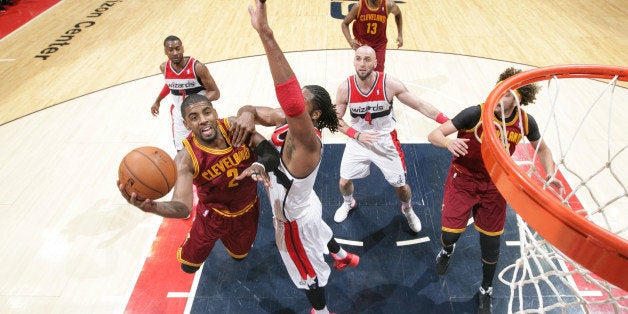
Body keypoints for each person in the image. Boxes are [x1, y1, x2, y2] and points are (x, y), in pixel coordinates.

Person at [247, 1, 359, 313]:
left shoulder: (309, 142)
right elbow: (259, 113)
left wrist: (266, 35)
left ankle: (321, 310)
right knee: (322, 232)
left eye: (303, 100)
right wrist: (245, 114)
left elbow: (291, 103)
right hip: (306, 204)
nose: (295, 103)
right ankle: (343, 257)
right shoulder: (290, 123)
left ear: (316, 113)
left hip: (292, 220)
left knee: (310, 275)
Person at [427, 67, 564, 314]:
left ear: (519, 98)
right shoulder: (474, 113)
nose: (500, 97)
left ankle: (486, 289)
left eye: (508, 94)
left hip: (496, 185)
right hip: (464, 179)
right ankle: (448, 250)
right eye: (499, 89)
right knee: (449, 235)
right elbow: (434, 133)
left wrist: (550, 172)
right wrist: (448, 141)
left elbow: (543, 149)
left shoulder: (524, 121)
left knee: (491, 244)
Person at [118, 93, 279, 274]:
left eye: (206, 112)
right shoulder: (185, 159)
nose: (203, 120)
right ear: (186, 124)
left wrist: (259, 165)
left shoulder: (235, 127)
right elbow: (182, 207)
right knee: (188, 266)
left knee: (239, 255)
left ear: (215, 113)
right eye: (194, 118)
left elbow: (271, 154)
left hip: (247, 210)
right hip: (212, 217)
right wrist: (152, 207)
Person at [333, 45, 449, 233]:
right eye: (358, 59)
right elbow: (335, 119)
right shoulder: (345, 87)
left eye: (367, 59)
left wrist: (450, 122)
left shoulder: (390, 83)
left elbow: (420, 105)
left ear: (375, 62)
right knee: (343, 182)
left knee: (401, 187)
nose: (362, 64)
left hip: (385, 140)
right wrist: (357, 135)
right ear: (354, 60)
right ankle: (349, 202)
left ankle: (408, 209)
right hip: (358, 141)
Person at [150, 35, 221, 151]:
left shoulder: (198, 67)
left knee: (213, 143)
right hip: (179, 114)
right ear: (165, 51)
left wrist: (194, 106)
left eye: (178, 48)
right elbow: (171, 85)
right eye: (171, 50)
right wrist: (157, 101)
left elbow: (215, 92)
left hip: (201, 113)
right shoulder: (164, 67)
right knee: (182, 150)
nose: (175, 53)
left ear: (182, 48)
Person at [341, 0, 403, 72]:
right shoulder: (358, 6)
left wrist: (400, 35)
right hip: (362, 44)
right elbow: (344, 24)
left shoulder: (388, 5)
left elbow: (398, 14)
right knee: (363, 72)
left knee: (378, 73)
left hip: (379, 45)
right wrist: (350, 41)